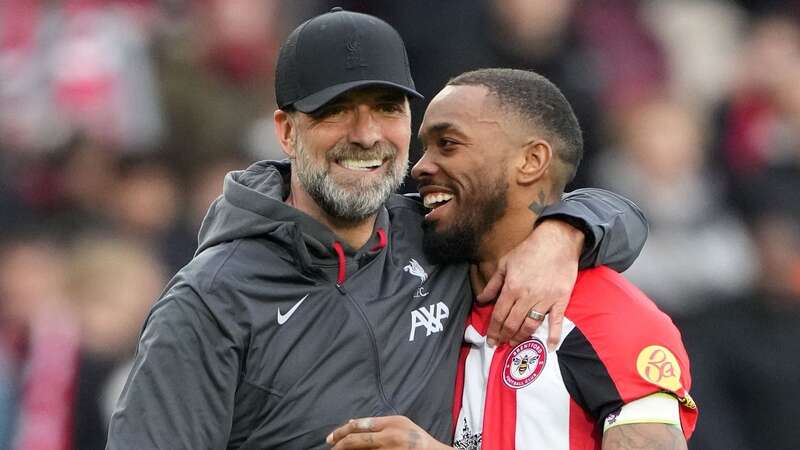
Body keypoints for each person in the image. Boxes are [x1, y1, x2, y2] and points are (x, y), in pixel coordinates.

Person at [106, 10, 648, 450]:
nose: (366, 134)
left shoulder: (437, 234)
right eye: (336, 111)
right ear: (286, 132)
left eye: (387, 108)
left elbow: (622, 216)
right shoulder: (210, 302)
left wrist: (564, 234)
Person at [327, 69, 697, 450]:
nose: (420, 166)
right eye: (425, 147)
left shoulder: (609, 318)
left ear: (531, 160)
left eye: (448, 144)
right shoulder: (433, 301)